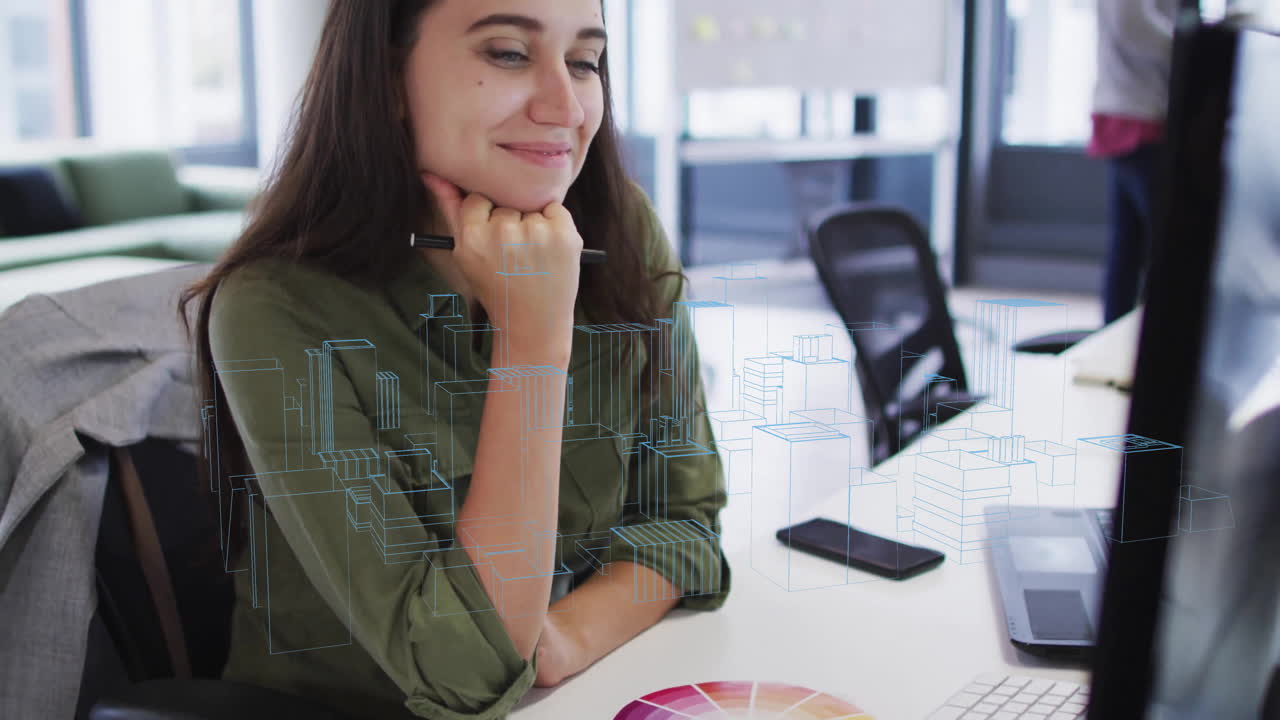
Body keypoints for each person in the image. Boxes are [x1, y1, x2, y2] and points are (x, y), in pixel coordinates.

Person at [179, 1, 730, 718]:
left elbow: (684, 523)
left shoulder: (620, 231)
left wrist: (560, 637)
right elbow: (466, 672)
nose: (566, 106)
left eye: (585, 61)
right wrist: (532, 350)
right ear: (384, 80)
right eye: (506, 53)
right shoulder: (275, 309)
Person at [1090, 0, 1180, 323]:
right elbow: (1133, 27)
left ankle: (1119, 339)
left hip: (1136, 109)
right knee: (1169, 244)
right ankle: (1156, 344)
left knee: (1128, 248)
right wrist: (1194, 47)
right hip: (1138, 114)